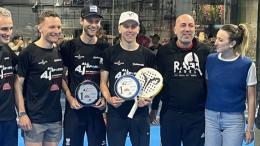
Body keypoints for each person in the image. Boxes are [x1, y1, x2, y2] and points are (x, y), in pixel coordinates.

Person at [100, 11, 155, 146]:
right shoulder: (109, 53)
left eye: (133, 26)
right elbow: (103, 82)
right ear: (119, 28)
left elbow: (154, 83)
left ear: (138, 29)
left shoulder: (148, 55)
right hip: (116, 113)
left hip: (140, 113)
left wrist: (149, 98)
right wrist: (109, 99)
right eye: (126, 26)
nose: (129, 30)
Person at [156, 14, 210, 146]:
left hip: (197, 116)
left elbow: (209, 82)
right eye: (183, 25)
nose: (187, 29)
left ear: (195, 29)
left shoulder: (205, 51)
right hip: (170, 114)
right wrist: (153, 108)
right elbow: (158, 81)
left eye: (191, 25)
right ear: (175, 30)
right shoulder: (163, 52)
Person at [60, 5, 108, 146]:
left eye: (96, 21)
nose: (93, 25)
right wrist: (69, 97)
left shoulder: (105, 48)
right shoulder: (68, 47)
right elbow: (61, 76)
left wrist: (105, 99)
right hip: (75, 110)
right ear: (82, 21)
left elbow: (108, 79)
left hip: (97, 111)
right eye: (89, 21)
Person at [15, 11, 64, 146]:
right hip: (34, 120)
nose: (56, 31)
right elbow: (18, 85)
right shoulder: (28, 53)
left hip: (55, 119)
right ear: (40, 28)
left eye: (58, 27)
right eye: (52, 27)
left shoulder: (59, 51)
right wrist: (22, 114)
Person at [205, 24, 257, 146]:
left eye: (221, 40)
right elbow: (208, 87)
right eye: (216, 38)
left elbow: (252, 99)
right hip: (210, 117)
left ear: (232, 44)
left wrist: (249, 128)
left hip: (234, 120)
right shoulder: (210, 60)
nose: (215, 42)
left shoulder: (247, 65)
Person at [0, 7, 18, 146]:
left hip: (8, 119)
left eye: (11, 28)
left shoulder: (6, 49)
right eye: (4, 29)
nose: (9, 33)